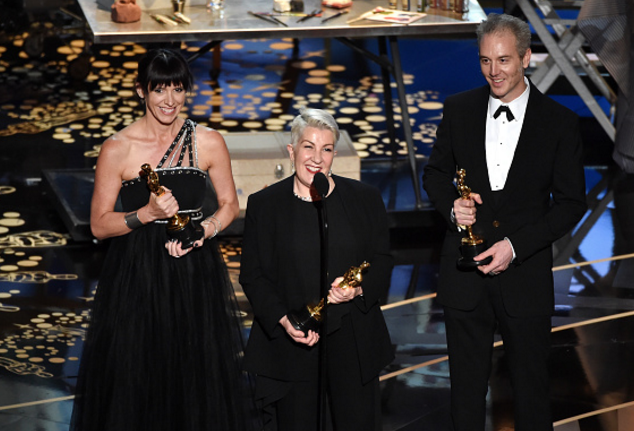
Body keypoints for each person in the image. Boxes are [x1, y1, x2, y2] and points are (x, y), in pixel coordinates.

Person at [70, 48, 253, 431]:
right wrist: (146, 214)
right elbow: (99, 225)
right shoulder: (118, 148)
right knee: (137, 375)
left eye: (178, 89)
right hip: (136, 275)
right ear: (141, 90)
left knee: (194, 375)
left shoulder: (208, 141)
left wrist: (205, 230)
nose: (170, 100)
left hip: (194, 269)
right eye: (159, 89)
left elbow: (229, 205)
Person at [422, 13, 587, 431]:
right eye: (485, 61)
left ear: (526, 58)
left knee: (532, 395)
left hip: (525, 279)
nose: (493, 71)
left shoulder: (560, 122)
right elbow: (435, 174)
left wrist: (515, 246)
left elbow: (570, 204)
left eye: (504, 60)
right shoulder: (459, 109)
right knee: (464, 395)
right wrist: (453, 208)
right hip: (464, 278)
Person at [240, 108, 394, 431]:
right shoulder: (265, 205)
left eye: (326, 149)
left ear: (334, 154)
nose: (317, 159)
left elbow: (382, 260)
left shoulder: (365, 198)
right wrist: (284, 320)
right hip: (294, 339)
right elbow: (253, 275)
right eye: (308, 147)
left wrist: (357, 289)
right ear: (291, 150)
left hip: (352, 337)